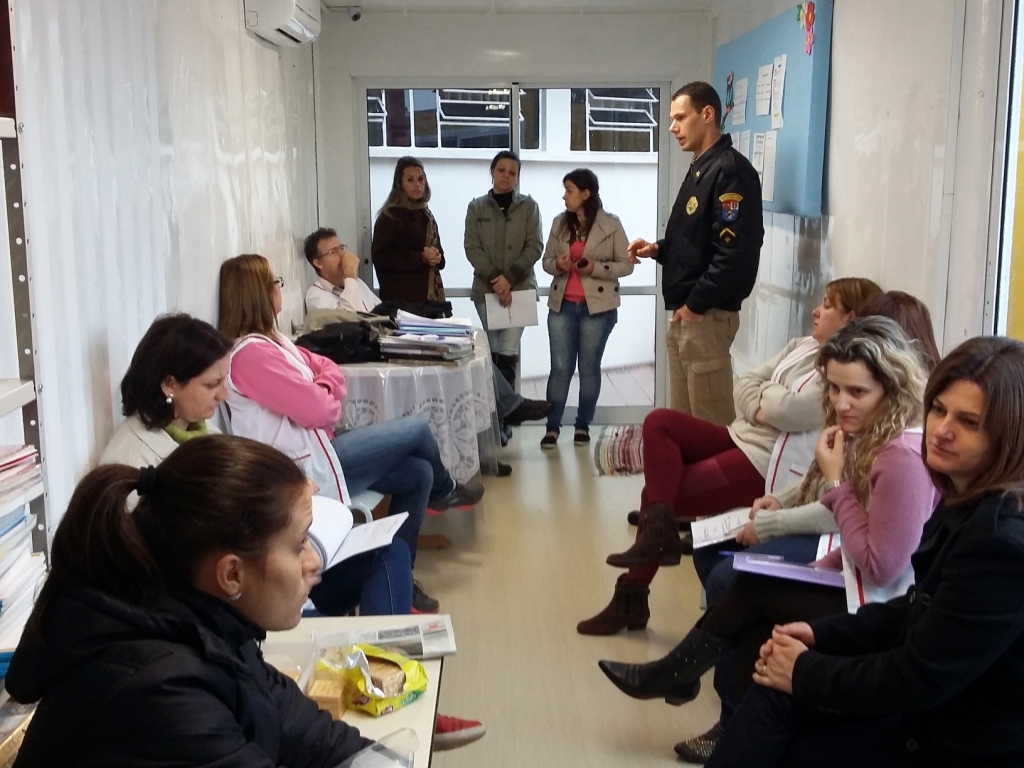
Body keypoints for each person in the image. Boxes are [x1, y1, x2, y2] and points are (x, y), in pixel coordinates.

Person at [597, 317, 938, 762]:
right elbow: (873, 533)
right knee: (753, 618)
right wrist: (819, 565)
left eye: (857, 392)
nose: (841, 403)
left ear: (892, 388)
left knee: (749, 588)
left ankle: (682, 678)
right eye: (834, 389)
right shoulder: (873, 434)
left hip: (881, 606)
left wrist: (836, 484)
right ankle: (729, 723)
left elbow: (882, 567)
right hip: (856, 580)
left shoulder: (900, 457)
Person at [705, 335, 1024, 768]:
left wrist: (803, 671)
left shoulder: (999, 541)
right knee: (772, 680)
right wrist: (822, 635)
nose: (942, 430)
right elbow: (918, 607)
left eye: (968, 422)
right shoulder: (965, 495)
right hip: (932, 699)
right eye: (938, 409)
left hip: (959, 735)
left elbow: (918, 674)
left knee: (782, 704)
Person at [6, 435, 374, 765]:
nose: (313, 562)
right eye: (299, 545)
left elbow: (313, 737)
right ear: (231, 575)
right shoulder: (160, 689)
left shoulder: (212, 627)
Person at [576, 278, 881, 636]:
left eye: (827, 305)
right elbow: (745, 381)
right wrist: (765, 403)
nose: (815, 310)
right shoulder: (802, 346)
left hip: (763, 461)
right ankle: (651, 554)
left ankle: (632, 594)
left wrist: (764, 398)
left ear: (851, 318)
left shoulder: (844, 371)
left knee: (659, 497)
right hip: (740, 434)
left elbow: (790, 411)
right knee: (659, 422)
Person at [98, 312, 415, 618]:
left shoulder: (199, 430)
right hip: (234, 598)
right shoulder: (136, 459)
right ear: (170, 384)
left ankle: (384, 652)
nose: (223, 394)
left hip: (264, 573)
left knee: (391, 552)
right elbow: (182, 560)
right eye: (212, 385)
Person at [218, 254, 483, 614]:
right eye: (275, 284)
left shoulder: (273, 341)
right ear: (259, 294)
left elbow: (327, 368)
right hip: (304, 469)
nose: (279, 289)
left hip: (323, 448)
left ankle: (402, 573)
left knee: (418, 472)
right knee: (418, 428)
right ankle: (445, 489)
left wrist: (321, 387)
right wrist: (322, 393)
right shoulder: (251, 356)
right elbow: (320, 410)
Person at [302, 226, 553, 477]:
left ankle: (487, 440)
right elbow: (351, 321)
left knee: (467, 353)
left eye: (341, 248)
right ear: (317, 263)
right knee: (448, 369)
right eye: (333, 252)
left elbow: (381, 313)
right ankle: (507, 412)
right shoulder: (317, 295)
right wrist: (350, 279)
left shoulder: (355, 285)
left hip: (394, 342)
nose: (342, 256)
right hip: (373, 361)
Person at [628, 81, 764, 426]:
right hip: (686, 312)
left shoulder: (730, 171)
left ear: (707, 114)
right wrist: (658, 249)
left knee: (709, 423)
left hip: (705, 314)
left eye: (680, 117)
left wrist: (695, 304)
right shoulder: (701, 166)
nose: (672, 127)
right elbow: (693, 240)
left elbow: (734, 255)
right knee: (684, 422)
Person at [539, 168, 634, 449]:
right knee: (560, 369)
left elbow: (626, 265)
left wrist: (596, 268)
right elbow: (546, 262)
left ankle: (583, 425)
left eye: (569, 190)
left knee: (589, 368)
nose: (564, 196)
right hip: (562, 306)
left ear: (585, 193)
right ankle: (552, 427)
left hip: (598, 309)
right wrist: (558, 264)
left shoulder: (610, 224)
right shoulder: (560, 223)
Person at [463, 149, 544, 390]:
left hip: (520, 288)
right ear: (492, 172)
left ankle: (504, 411)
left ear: (517, 176)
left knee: (507, 350)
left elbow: (535, 246)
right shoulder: (476, 207)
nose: (506, 176)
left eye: (512, 172)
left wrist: (508, 279)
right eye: (501, 170)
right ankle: (495, 409)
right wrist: (496, 279)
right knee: (492, 350)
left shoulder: (529, 206)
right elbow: (472, 247)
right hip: (486, 289)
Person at [371, 156, 445, 303]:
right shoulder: (390, 217)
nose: (417, 185)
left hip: (429, 300)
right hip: (401, 299)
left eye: (421, 179)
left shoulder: (426, 215)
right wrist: (421, 258)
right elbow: (381, 258)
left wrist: (437, 257)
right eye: (410, 180)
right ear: (400, 184)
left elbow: (440, 256)